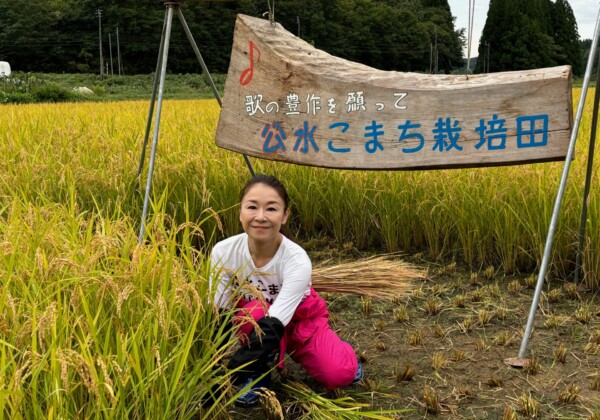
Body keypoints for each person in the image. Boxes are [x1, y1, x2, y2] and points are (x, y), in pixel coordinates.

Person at [210, 174, 363, 407]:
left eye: (271, 209)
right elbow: (219, 312)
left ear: (284, 215)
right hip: (255, 319)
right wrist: (211, 370)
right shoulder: (223, 252)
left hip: (298, 322)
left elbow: (275, 324)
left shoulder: (297, 259)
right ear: (240, 212)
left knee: (339, 374)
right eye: (252, 207)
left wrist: (231, 370)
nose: (260, 217)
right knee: (254, 312)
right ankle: (257, 373)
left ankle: (341, 352)